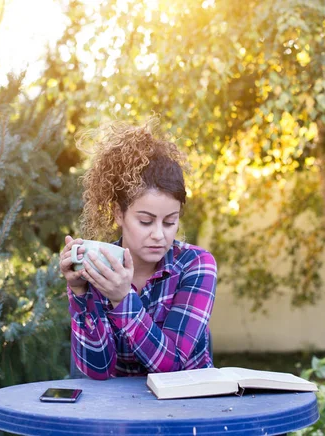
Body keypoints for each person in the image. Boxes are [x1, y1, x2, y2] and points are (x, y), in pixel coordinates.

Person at [59, 118, 217, 380]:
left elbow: (173, 366)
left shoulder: (196, 265)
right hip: (121, 413)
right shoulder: (101, 265)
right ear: (119, 214)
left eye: (170, 222)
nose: (159, 235)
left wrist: (122, 300)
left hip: (190, 410)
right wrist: (79, 293)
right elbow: (96, 372)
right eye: (145, 221)